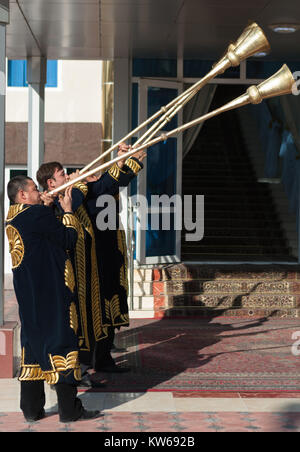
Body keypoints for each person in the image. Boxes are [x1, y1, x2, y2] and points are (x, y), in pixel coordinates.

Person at [36, 146, 145, 377]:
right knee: (80, 322)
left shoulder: (75, 191)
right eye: (62, 175)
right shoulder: (51, 203)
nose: (68, 176)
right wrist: (82, 183)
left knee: (102, 313)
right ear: (50, 184)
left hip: (94, 265)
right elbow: (79, 199)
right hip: (72, 273)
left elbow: (105, 186)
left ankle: (102, 360)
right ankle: (80, 369)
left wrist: (125, 162)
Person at [5, 175, 101, 422]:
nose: (39, 192)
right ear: (23, 195)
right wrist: (67, 211)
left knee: (34, 349)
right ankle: (70, 410)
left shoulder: (14, 217)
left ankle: (31, 410)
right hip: (51, 293)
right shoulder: (36, 215)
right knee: (62, 343)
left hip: (30, 298)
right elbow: (68, 238)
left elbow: (39, 235)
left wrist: (45, 207)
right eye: (34, 190)